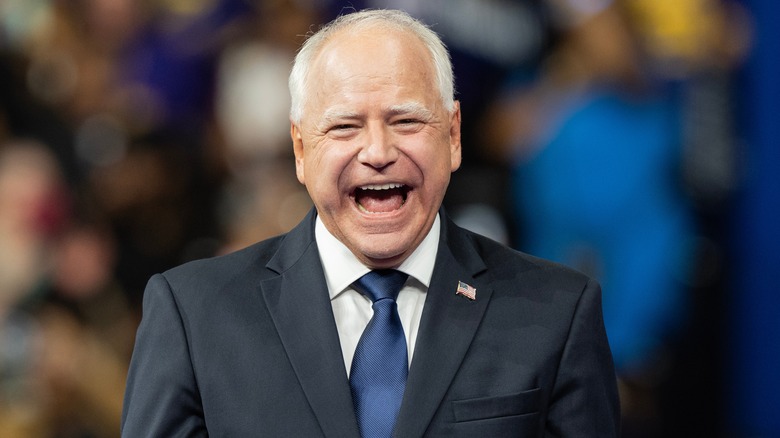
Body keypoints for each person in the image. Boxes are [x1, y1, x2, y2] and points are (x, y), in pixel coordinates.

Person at [121, 9, 619, 437]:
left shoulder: (559, 314)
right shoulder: (192, 314)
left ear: (453, 135)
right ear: (300, 148)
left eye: (406, 121)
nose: (378, 152)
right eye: (344, 126)